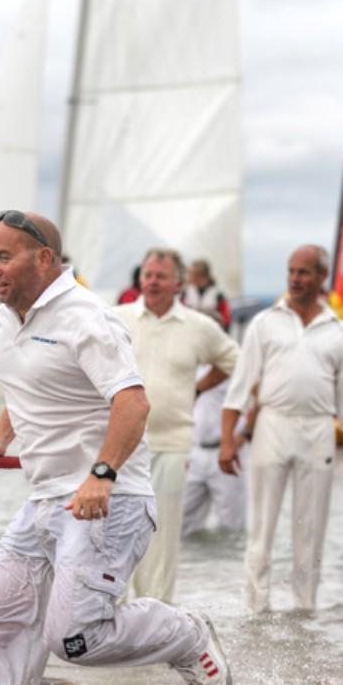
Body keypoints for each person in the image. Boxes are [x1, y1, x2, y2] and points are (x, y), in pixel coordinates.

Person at [0, 209, 233, 685]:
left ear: (44, 258)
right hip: (44, 501)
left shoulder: (86, 317)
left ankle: (187, 636)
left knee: (77, 638)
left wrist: (102, 474)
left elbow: (133, 403)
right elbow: (26, 390)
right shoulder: (6, 317)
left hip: (107, 502)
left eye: (4, 256)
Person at [220, 244, 343, 612]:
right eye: (291, 271)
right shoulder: (264, 322)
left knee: (311, 529)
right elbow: (239, 387)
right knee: (261, 526)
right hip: (273, 423)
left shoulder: (338, 331)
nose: (294, 278)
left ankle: (304, 609)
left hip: (318, 429)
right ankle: (255, 610)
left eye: (303, 272)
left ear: (322, 277)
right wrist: (228, 441)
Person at [115, 248, 239, 601]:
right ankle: (112, 621)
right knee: (113, 533)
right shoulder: (116, 318)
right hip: (118, 444)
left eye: (161, 276)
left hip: (172, 444)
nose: (152, 281)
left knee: (161, 536)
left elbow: (235, 362)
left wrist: (200, 387)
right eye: (148, 274)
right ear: (140, 279)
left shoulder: (199, 326)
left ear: (178, 283)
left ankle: (156, 617)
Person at [181, 371, 249, 537]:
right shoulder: (193, 363)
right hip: (194, 450)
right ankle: (193, 563)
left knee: (232, 527)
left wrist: (239, 440)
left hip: (227, 451)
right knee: (181, 523)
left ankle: (228, 562)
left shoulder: (234, 364)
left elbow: (257, 401)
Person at [183, 259, 231, 331]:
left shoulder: (218, 295)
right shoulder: (185, 293)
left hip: (212, 334)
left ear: (200, 275)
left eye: (191, 274)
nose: (188, 276)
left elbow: (226, 319)